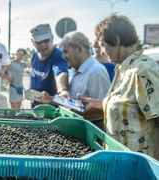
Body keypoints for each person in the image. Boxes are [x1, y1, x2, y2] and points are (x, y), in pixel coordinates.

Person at [80, 14, 159, 159]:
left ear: (116, 40)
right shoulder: (122, 69)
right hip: (119, 162)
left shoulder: (142, 70)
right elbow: (128, 108)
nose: (102, 51)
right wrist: (95, 103)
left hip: (139, 167)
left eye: (103, 45)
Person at [42, 31, 111, 129]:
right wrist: (52, 100)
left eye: (66, 51)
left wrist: (70, 111)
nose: (63, 56)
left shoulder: (96, 72)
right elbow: (76, 103)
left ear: (79, 49)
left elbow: (102, 110)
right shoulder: (76, 70)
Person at [29, 24, 69, 107]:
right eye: (39, 42)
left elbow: (60, 73)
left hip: (51, 110)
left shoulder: (58, 56)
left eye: (46, 40)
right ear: (33, 42)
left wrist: (62, 90)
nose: (43, 45)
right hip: (35, 106)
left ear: (52, 38)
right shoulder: (35, 55)